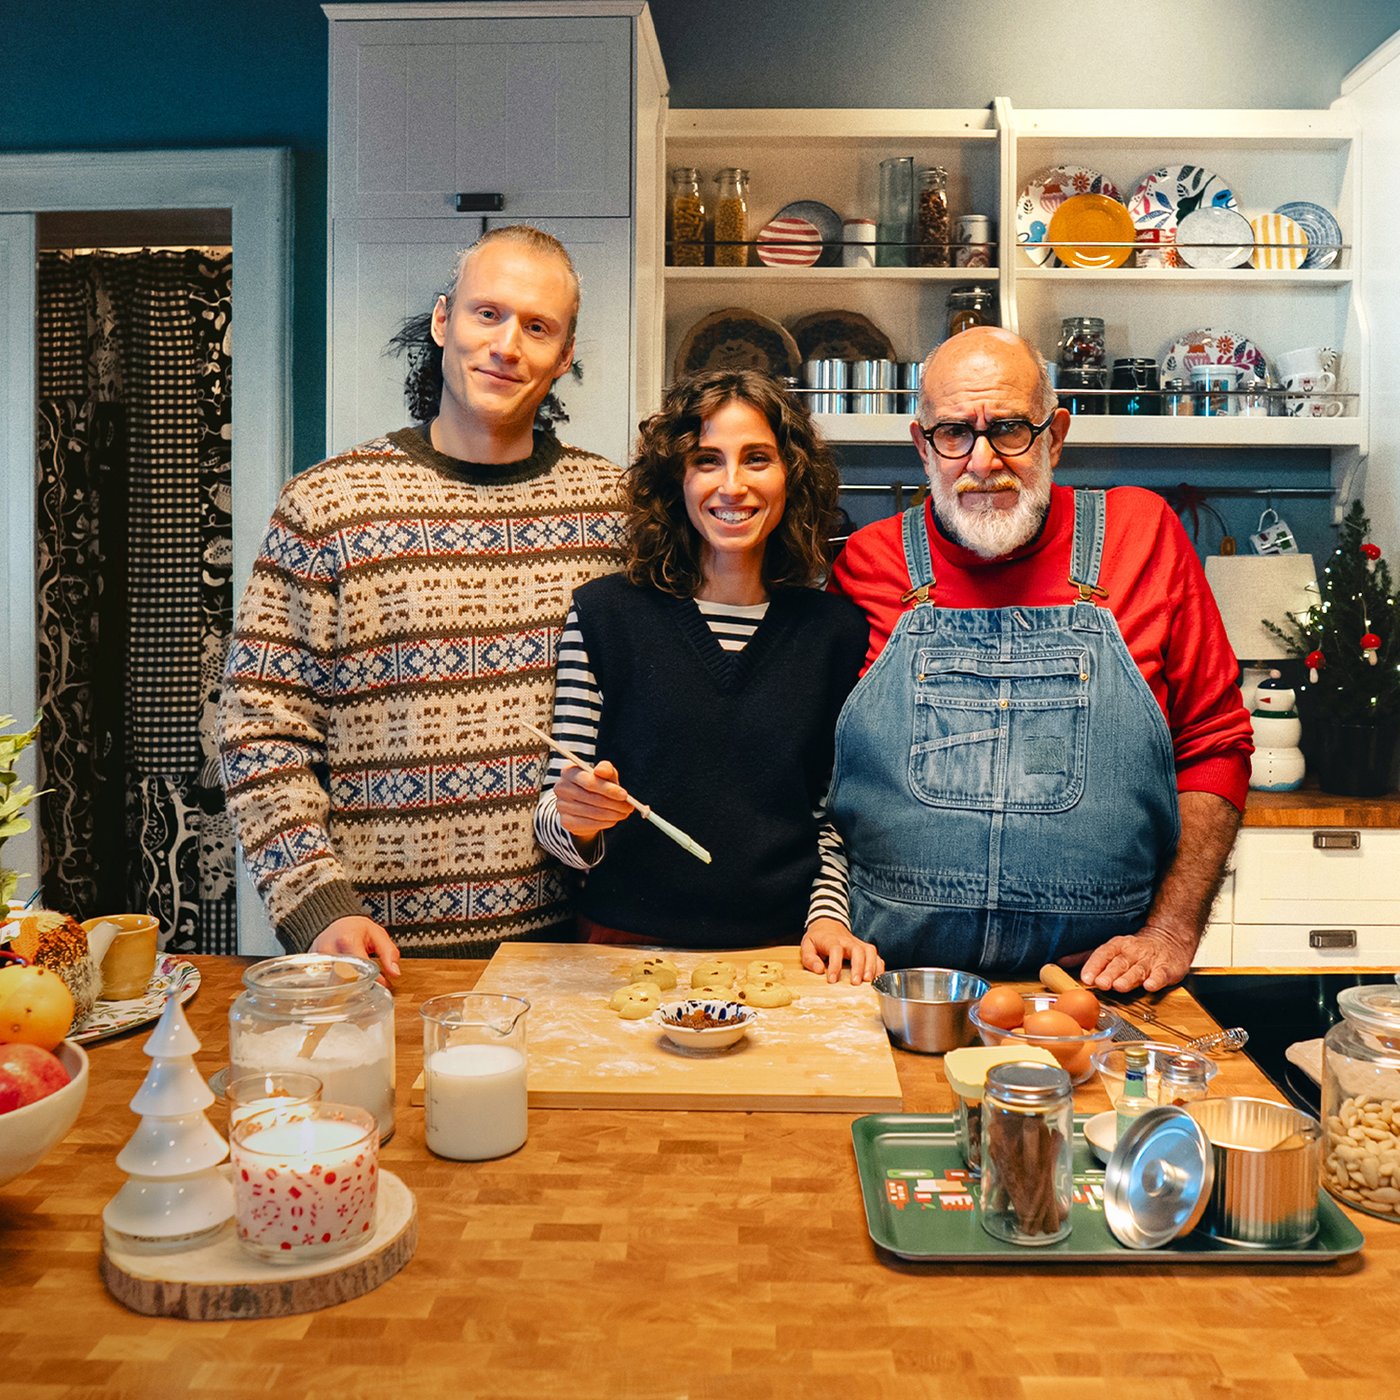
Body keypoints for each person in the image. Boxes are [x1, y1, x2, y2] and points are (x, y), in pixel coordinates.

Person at [219, 225, 628, 975]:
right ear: (444, 321)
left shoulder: (618, 511)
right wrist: (317, 903)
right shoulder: (329, 506)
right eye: (487, 314)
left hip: (573, 952)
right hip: (376, 956)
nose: (507, 345)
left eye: (537, 327)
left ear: (564, 356)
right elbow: (259, 731)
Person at [828, 326, 1252, 992]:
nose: (982, 461)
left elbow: (1215, 744)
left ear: (1054, 435)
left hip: (1096, 990)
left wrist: (1170, 930)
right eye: (953, 435)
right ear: (922, 445)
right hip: (892, 982)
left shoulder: (1143, 537)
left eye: (1009, 430)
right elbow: (809, 778)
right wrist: (824, 919)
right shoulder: (868, 563)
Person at [532, 369, 883, 983]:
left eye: (757, 459)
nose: (732, 485)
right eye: (706, 460)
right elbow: (553, 820)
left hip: (785, 954)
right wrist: (577, 819)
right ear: (677, 479)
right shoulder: (603, 615)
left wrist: (828, 919)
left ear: (791, 474)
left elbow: (830, 815)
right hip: (620, 952)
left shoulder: (836, 633)